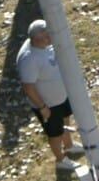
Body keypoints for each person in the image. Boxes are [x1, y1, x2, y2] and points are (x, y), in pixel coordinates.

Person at [16, 20, 84, 170]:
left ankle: (69, 145)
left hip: (61, 97)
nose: (51, 38)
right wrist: (42, 107)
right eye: (47, 36)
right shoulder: (29, 59)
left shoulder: (46, 45)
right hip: (48, 104)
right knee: (54, 133)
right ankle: (60, 159)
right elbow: (28, 87)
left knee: (65, 120)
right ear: (36, 38)